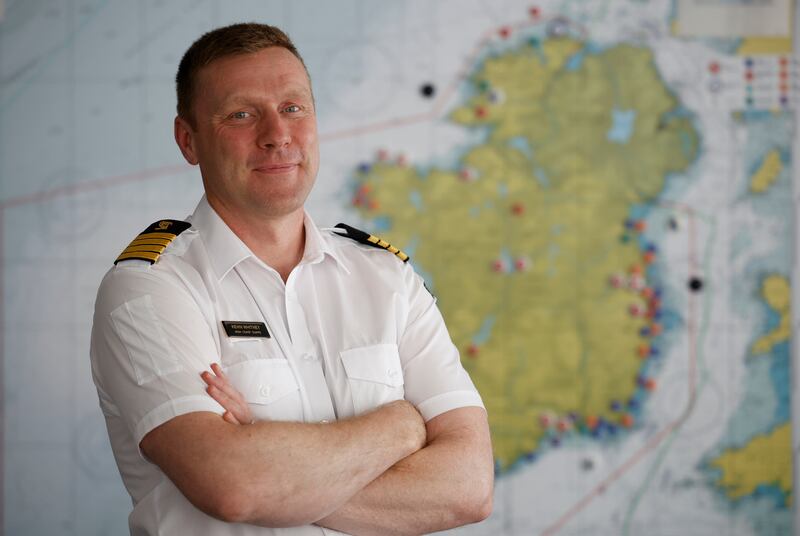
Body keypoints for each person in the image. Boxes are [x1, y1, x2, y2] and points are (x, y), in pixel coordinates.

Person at [90, 22, 493, 536]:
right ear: (188, 140)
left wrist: (267, 457)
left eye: (293, 108)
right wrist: (401, 426)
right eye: (241, 114)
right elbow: (234, 487)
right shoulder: (149, 289)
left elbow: (469, 487)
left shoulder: (387, 278)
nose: (277, 134)